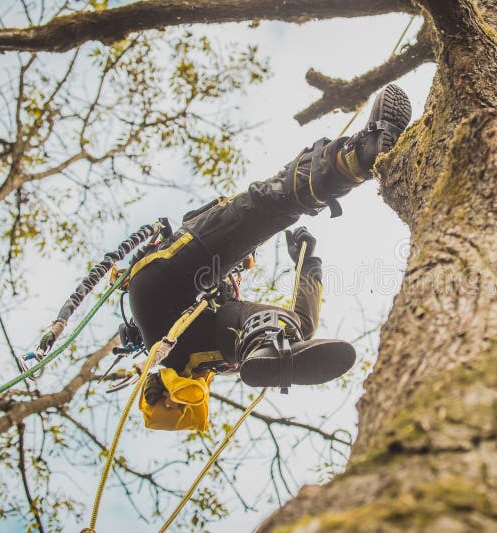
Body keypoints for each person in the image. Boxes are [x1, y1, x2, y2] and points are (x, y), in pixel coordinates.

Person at [125, 84, 411, 422]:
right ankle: (356, 157)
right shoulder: (207, 356)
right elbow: (301, 325)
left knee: (267, 211)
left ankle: (356, 159)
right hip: (164, 295)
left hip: (163, 293)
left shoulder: (191, 356)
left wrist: (309, 266)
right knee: (267, 215)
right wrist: (308, 266)